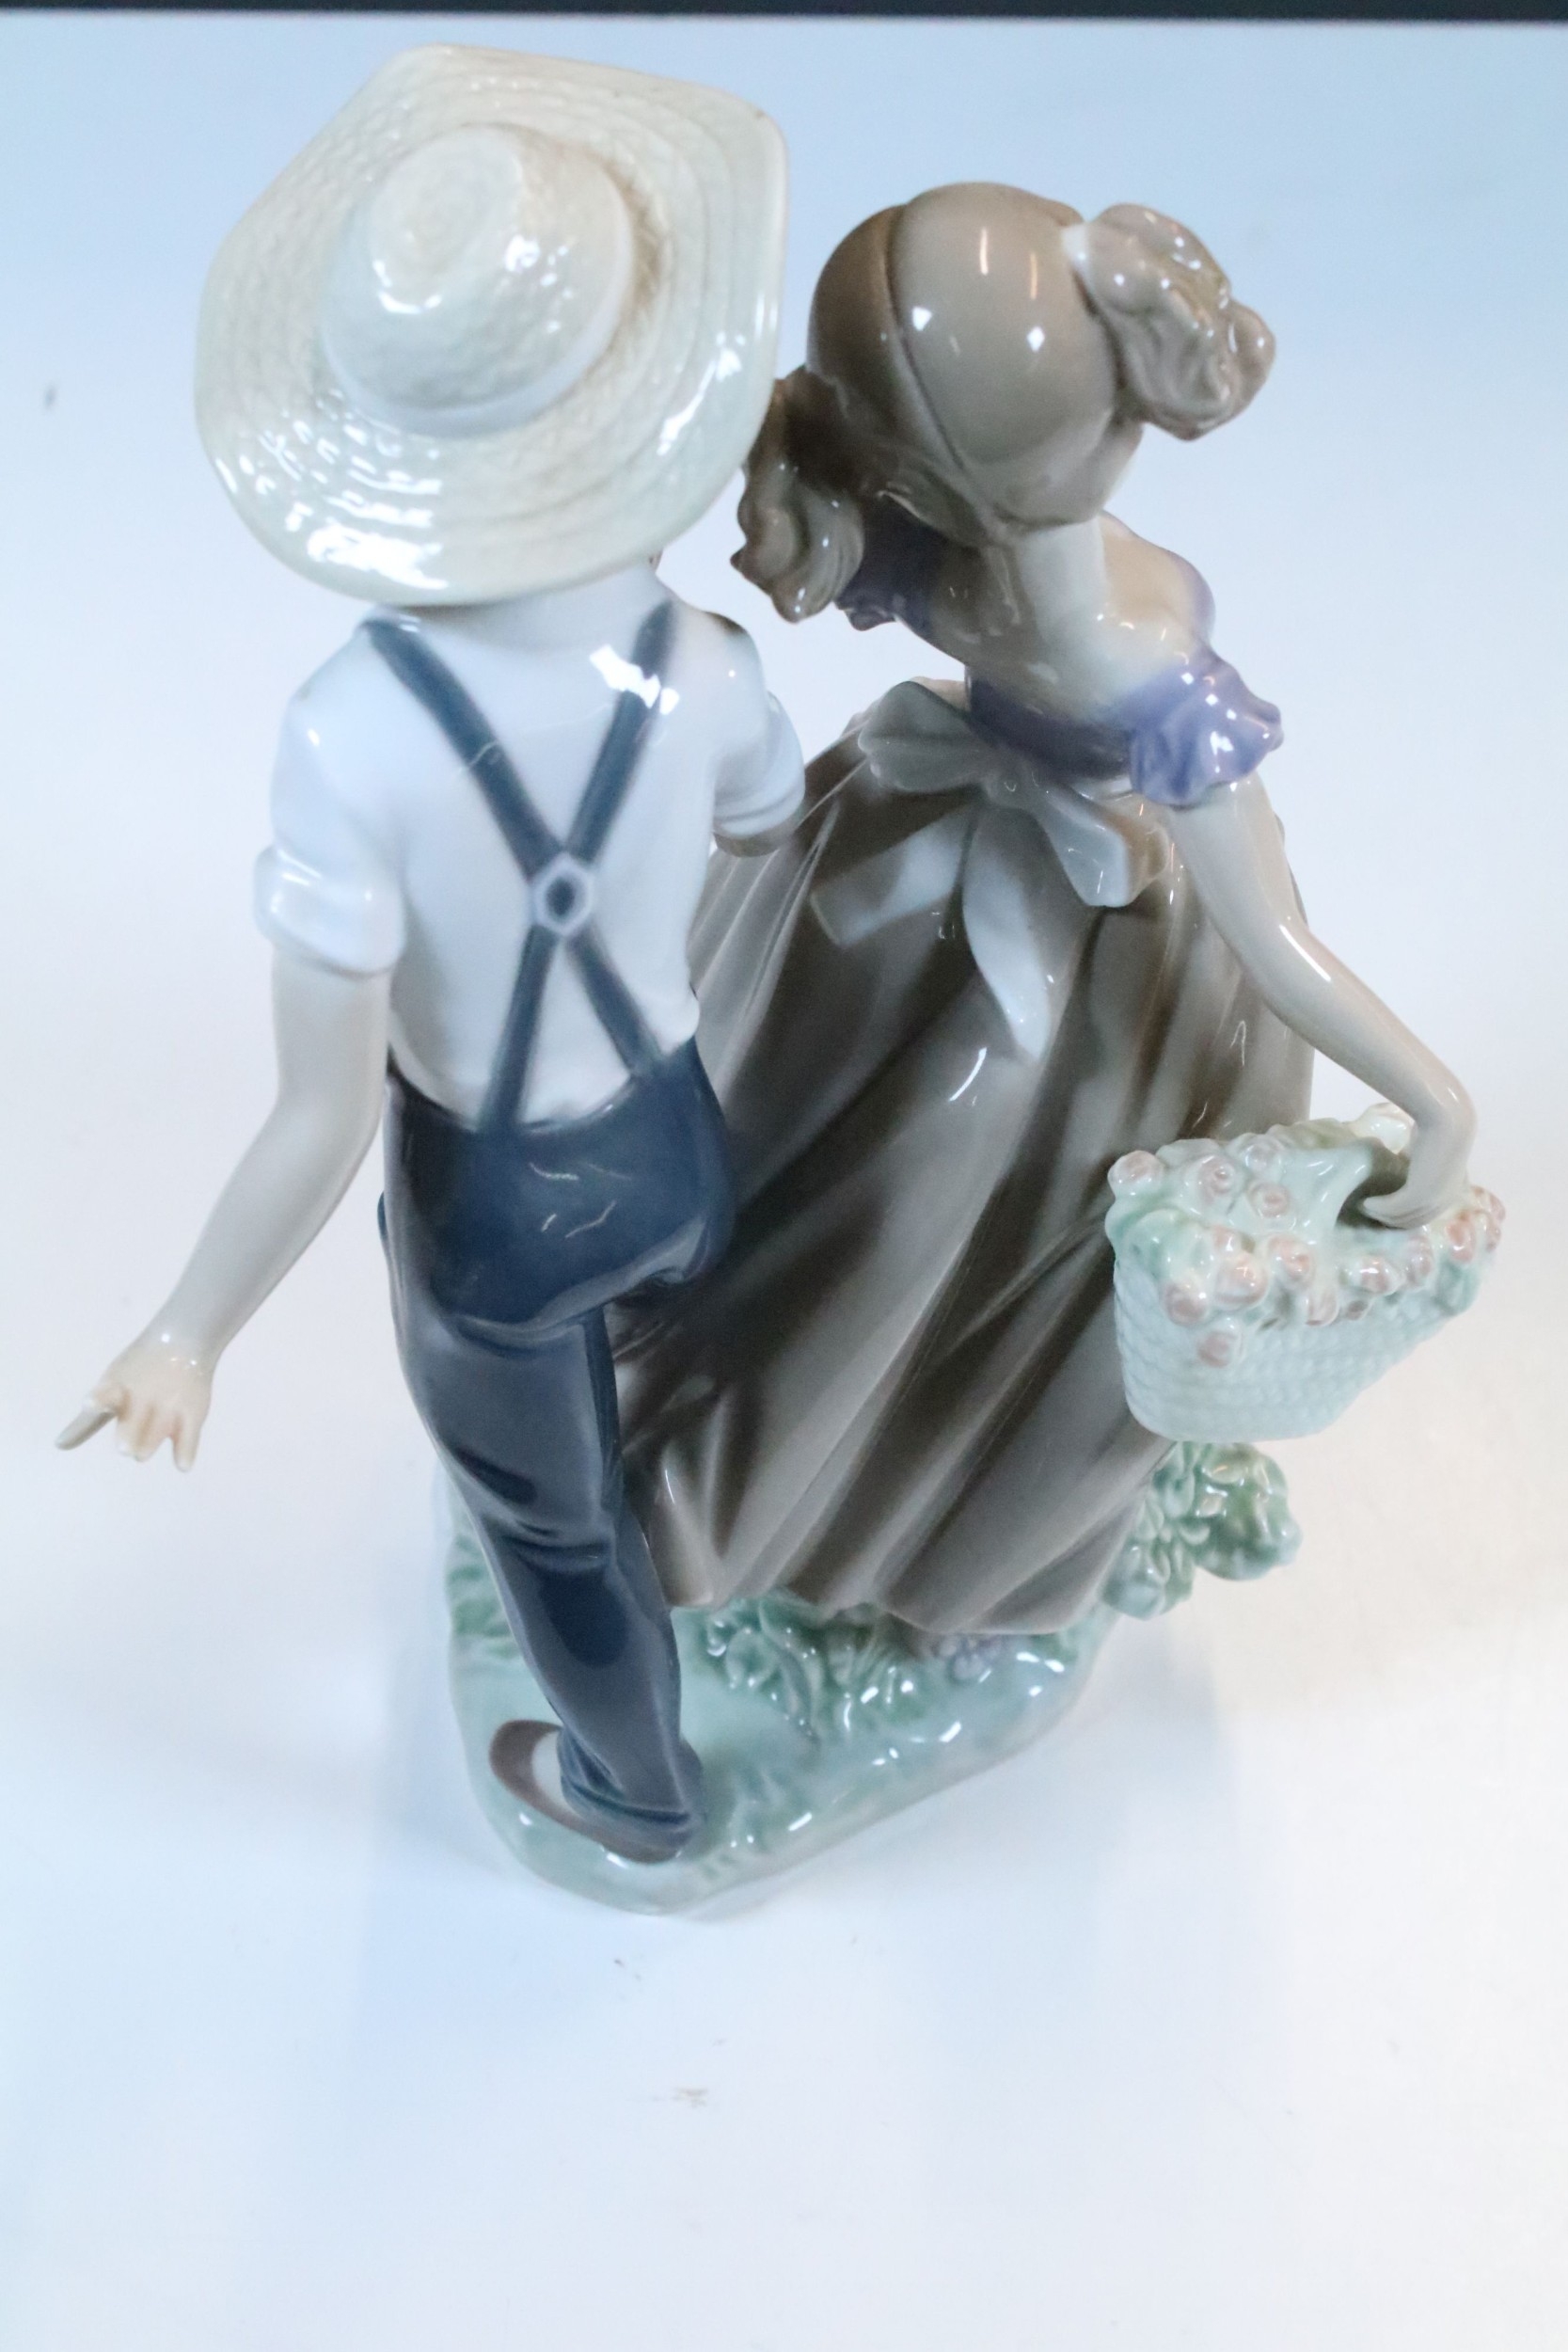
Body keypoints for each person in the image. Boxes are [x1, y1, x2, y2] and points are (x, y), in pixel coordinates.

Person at [57, 47, 802, 1865]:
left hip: (498, 1222)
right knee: (636, 1406)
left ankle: (639, 1791)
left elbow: (319, 1117)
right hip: (678, 1151)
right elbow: (771, 834)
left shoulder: (350, 735)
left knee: (553, 1534)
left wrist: (188, 1328)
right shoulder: (708, 666)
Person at [612, 183, 1475, 1640]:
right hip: (1001, 910)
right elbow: (1271, 942)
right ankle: (735, 1488)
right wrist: (1434, 1102)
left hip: (1021, 911)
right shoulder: (1120, 646)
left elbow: (1267, 938)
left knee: (891, 1180)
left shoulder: (974, 583)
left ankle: (783, 1501)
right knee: (886, 1173)